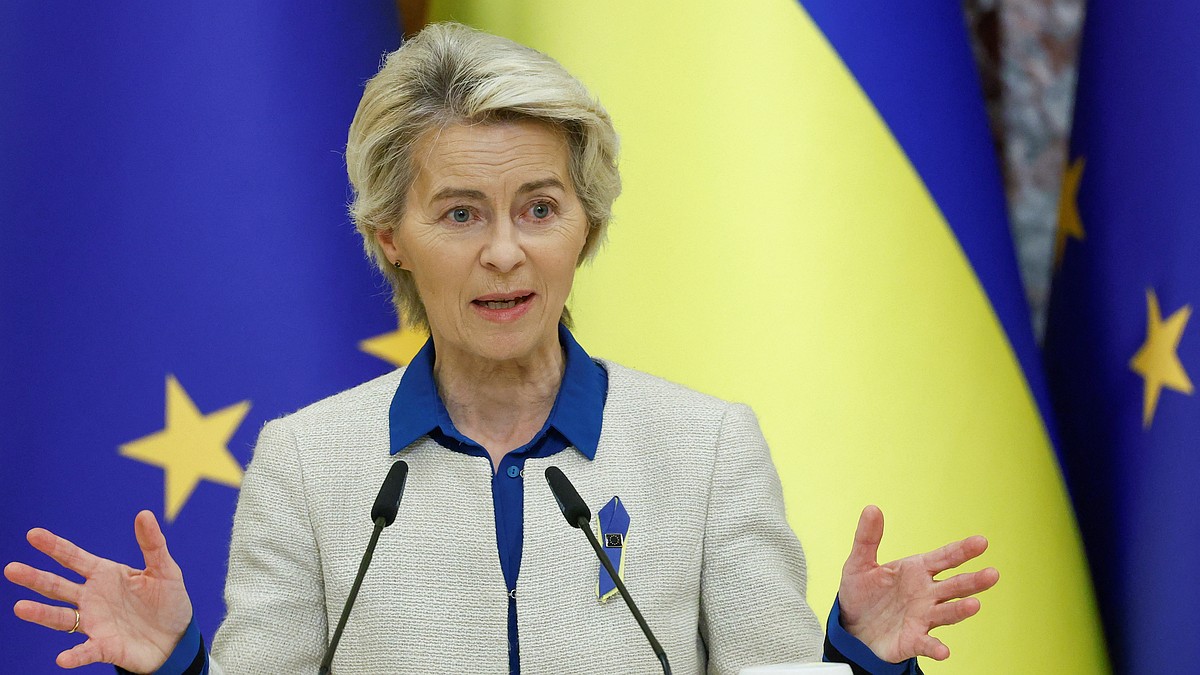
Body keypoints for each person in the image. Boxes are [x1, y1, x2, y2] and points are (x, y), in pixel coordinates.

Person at [4, 22, 998, 674]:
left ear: (586, 225)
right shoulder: (306, 464)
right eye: (461, 213)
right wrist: (179, 663)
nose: (506, 252)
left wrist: (860, 655)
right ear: (390, 237)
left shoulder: (707, 450)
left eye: (540, 207)